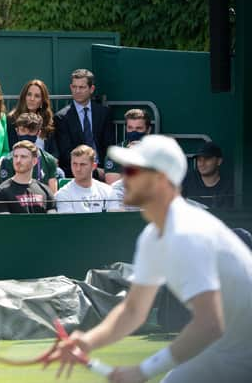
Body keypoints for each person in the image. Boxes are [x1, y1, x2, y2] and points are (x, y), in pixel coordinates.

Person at [51, 135, 252, 383]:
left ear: (159, 180)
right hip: (226, 349)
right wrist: (87, 341)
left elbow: (209, 323)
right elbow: (134, 309)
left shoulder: (187, 232)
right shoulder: (153, 235)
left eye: (134, 170)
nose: (125, 177)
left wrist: (143, 370)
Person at [53, 69, 113, 178]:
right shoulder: (62, 117)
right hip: (77, 169)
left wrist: (108, 168)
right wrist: (92, 170)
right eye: (74, 87)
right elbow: (66, 153)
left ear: (91, 89)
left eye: (82, 87)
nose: (77, 91)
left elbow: (109, 144)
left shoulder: (103, 113)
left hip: (103, 168)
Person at [0, 112, 58, 193]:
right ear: (17, 131)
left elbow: (52, 194)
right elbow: (6, 192)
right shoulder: (8, 160)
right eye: (23, 130)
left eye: (31, 131)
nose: (27, 134)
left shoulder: (49, 160)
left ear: (38, 133)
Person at [0, 140, 56, 214]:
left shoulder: (46, 191)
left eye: (23, 157)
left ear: (34, 161)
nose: (18, 161)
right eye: (15, 156)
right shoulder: (1, 192)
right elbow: (6, 224)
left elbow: (53, 222)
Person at [55, 145, 118, 213]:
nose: (78, 169)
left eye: (83, 164)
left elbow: (114, 220)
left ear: (94, 166)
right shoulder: (63, 194)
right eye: (74, 164)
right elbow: (69, 222)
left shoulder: (109, 191)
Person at [104, 109, 152, 184]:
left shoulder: (156, 152)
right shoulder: (115, 153)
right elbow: (113, 184)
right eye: (130, 128)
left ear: (148, 130)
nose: (133, 132)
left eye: (138, 128)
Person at [7, 79, 55, 151]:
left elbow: (54, 151)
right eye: (29, 94)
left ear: (42, 101)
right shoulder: (12, 119)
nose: (32, 99)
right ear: (24, 97)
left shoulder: (48, 121)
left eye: (37, 96)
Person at [182, 141, 234, 209]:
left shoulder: (228, 184)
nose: (202, 164)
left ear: (219, 161)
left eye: (207, 159)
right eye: (199, 160)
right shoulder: (188, 179)